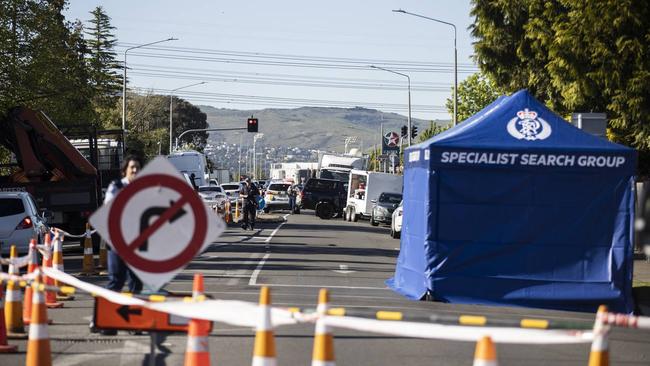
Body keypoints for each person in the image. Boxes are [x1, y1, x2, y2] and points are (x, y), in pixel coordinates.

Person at [91, 155, 144, 335]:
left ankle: (134, 322)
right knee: (116, 281)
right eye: (132, 168)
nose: (135, 171)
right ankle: (105, 321)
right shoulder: (116, 186)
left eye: (137, 168)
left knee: (136, 283)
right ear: (125, 171)